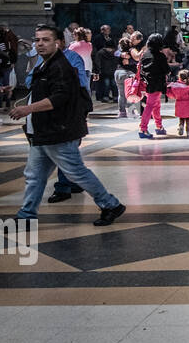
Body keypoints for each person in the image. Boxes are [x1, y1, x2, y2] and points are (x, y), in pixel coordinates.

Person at [11, 24, 125, 226]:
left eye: (46, 40)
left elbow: (58, 98)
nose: (40, 44)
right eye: (37, 40)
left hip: (59, 131)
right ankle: (27, 215)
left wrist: (27, 110)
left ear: (59, 43)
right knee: (34, 175)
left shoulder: (61, 67)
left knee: (76, 172)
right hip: (44, 131)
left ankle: (110, 205)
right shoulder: (43, 64)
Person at [138, 33, 172, 139]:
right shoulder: (160, 56)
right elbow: (167, 70)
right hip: (157, 84)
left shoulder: (145, 54)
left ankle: (159, 127)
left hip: (147, 84)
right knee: (150, 106)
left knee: (156, 106)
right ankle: (143, 129)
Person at [166, 68, 189, 137]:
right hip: (188, 105)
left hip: (179, 104)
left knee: (181, 118)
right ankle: (188, 131)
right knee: (188, 118)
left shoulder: (175, 86)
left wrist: (167, 91)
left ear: (179, 77)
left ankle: (181, 126)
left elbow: (172, 95)